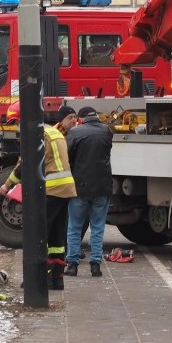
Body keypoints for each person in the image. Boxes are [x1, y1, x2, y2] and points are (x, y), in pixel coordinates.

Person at [0, 101, 76, 290]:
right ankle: (56, 280)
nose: (16, 127)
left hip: (51, 189)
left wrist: (7, 185)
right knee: (56, 236)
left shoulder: (36, 134)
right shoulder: (53, 131)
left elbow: (25, 164)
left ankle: (36, 278)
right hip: (66, 189)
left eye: (16, 122)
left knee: (37, 233)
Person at [64, 105, 113, 278]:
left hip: (80, 187)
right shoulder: (106, 131)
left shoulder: (75, 133)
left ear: (81, 118)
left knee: (74, 226)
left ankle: (72, 265)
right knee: (98, 227)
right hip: (102, 187)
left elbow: (67, 157)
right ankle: (95, 266)